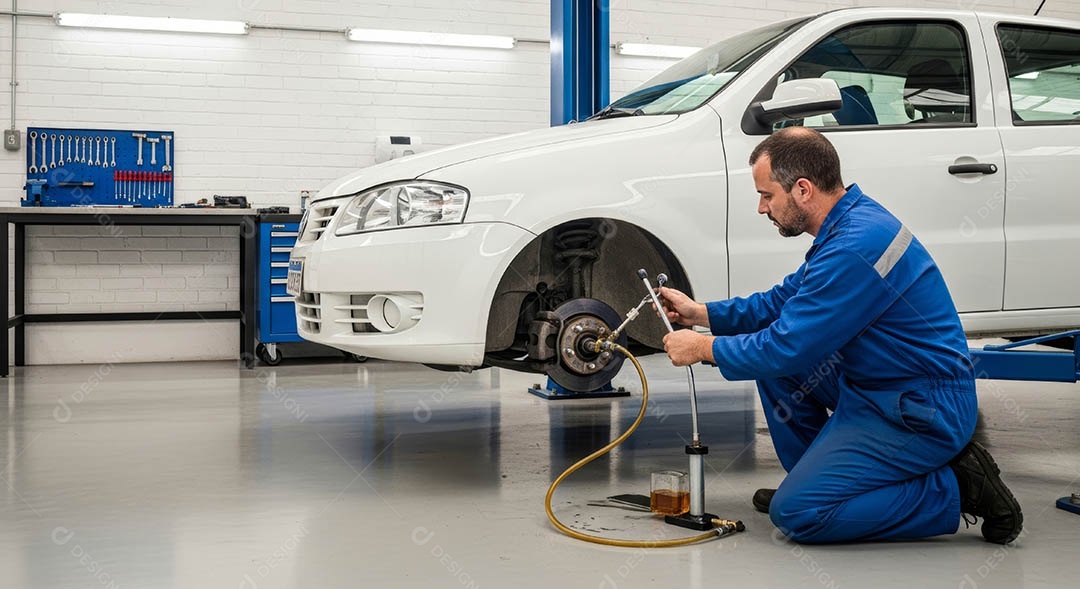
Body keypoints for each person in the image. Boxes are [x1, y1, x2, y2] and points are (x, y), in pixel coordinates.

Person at [659, 127, 1023, 544]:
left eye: (766, 195)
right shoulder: (850, 222)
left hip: (920, 409)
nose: (761, 207)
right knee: (781, 373)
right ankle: (829, 483)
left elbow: (788, 345)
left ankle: (955, 489)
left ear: (802, 189)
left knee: (798, 513)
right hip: (878, 384)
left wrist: (703, 348)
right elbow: (784, 301)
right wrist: (701, 313)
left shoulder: (854, 246)